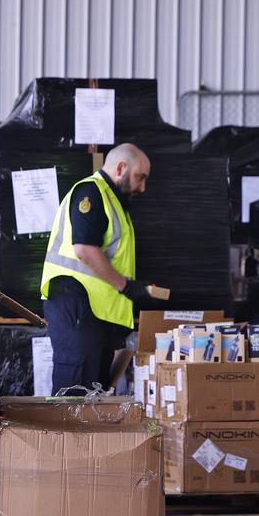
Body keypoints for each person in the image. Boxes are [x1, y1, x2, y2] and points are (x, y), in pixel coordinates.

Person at [39, 143, 155, 393]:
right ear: (121, 168)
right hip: (77, 305)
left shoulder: (113, 201)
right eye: (140, 178)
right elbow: (84, 249)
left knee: (93, 393)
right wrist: (125, 286)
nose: (142, 188)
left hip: (94, 313)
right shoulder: (91, 193)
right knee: (75, 392)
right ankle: (65, 434)